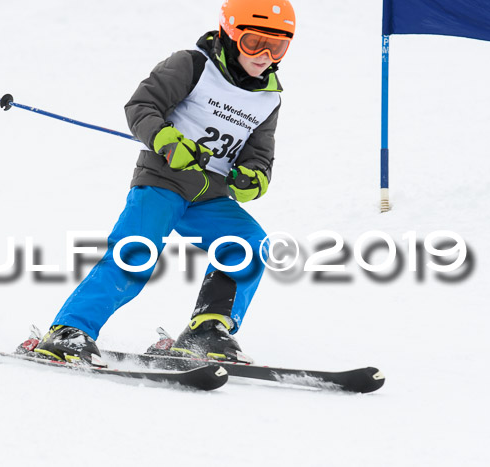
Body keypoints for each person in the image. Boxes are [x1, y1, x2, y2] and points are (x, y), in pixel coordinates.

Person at [32, 0, 296, 366]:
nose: (265, 55)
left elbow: (259, 156)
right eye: (254, 43)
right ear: (231, 34)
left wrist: (254, 178)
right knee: (135, 254)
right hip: (163, 182)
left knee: (250, 246)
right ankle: (68, 332)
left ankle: (207, 330)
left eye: (278, 46)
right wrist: (167, 141)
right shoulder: (193, 65)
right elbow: (141, 106)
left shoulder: (268, 98)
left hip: (211, 197)